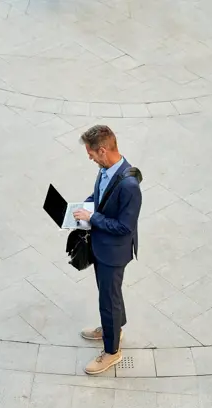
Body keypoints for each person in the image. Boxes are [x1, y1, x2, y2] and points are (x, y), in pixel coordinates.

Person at [73, 125, 142, 375]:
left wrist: (93, 219)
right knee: (109, 293)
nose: (89, 157)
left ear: (102, 150)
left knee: (108, 300)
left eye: (91, 153)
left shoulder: (129, 185)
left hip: (114, 252)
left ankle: (111, 351)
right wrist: (82, 206)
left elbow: (125, 227)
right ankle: (113, 327)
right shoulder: (106, 170)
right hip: (102, 246)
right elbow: (99, 195)